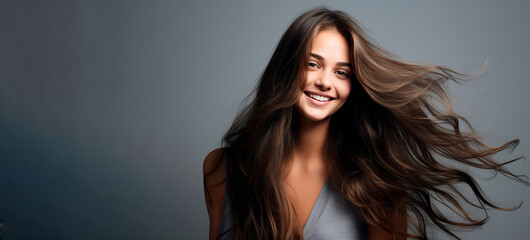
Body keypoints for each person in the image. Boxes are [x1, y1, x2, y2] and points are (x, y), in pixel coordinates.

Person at [203, 7, 526, 240]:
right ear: (286, 68)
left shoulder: (375, 185)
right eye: (313, 64)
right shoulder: (222, 167)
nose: (325, 82)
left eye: (342, 72)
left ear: (353, 86)